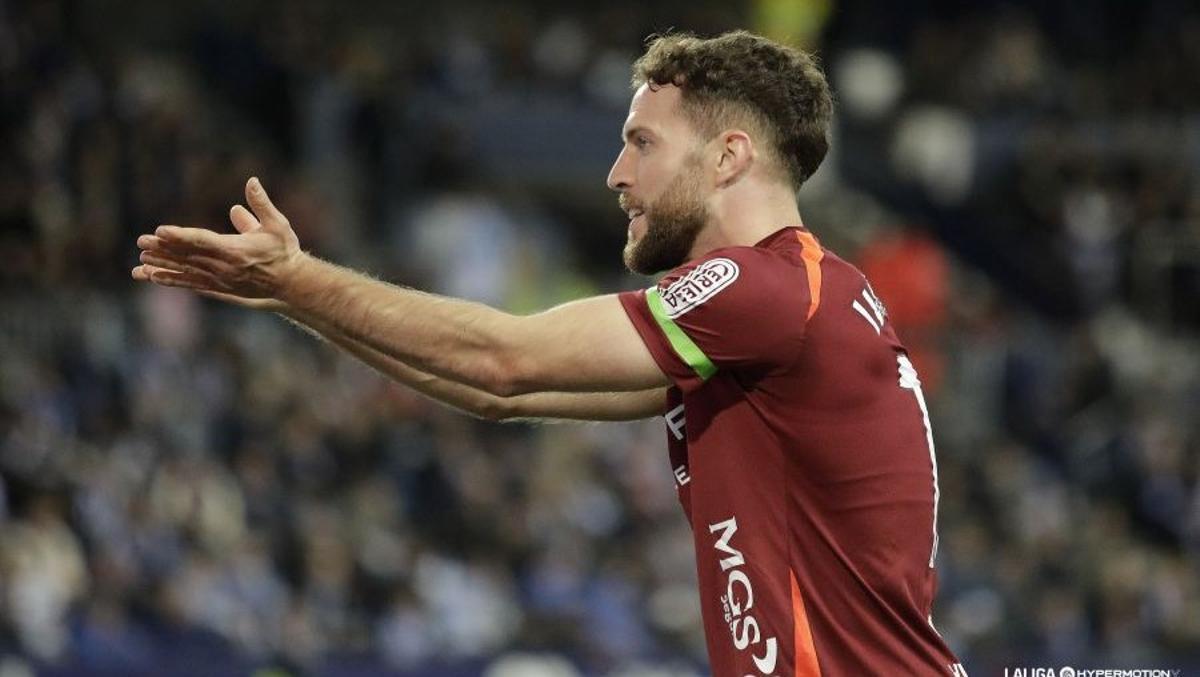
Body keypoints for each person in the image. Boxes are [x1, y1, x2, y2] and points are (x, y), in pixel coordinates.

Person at [133, 30, 967, 677]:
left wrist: (300, 278)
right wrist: (290, 294)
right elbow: (503, 396)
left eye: (641, 142)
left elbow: (507, 358)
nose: (614, 174)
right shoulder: (798, 304)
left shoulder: (764, 291)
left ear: (729, 157)